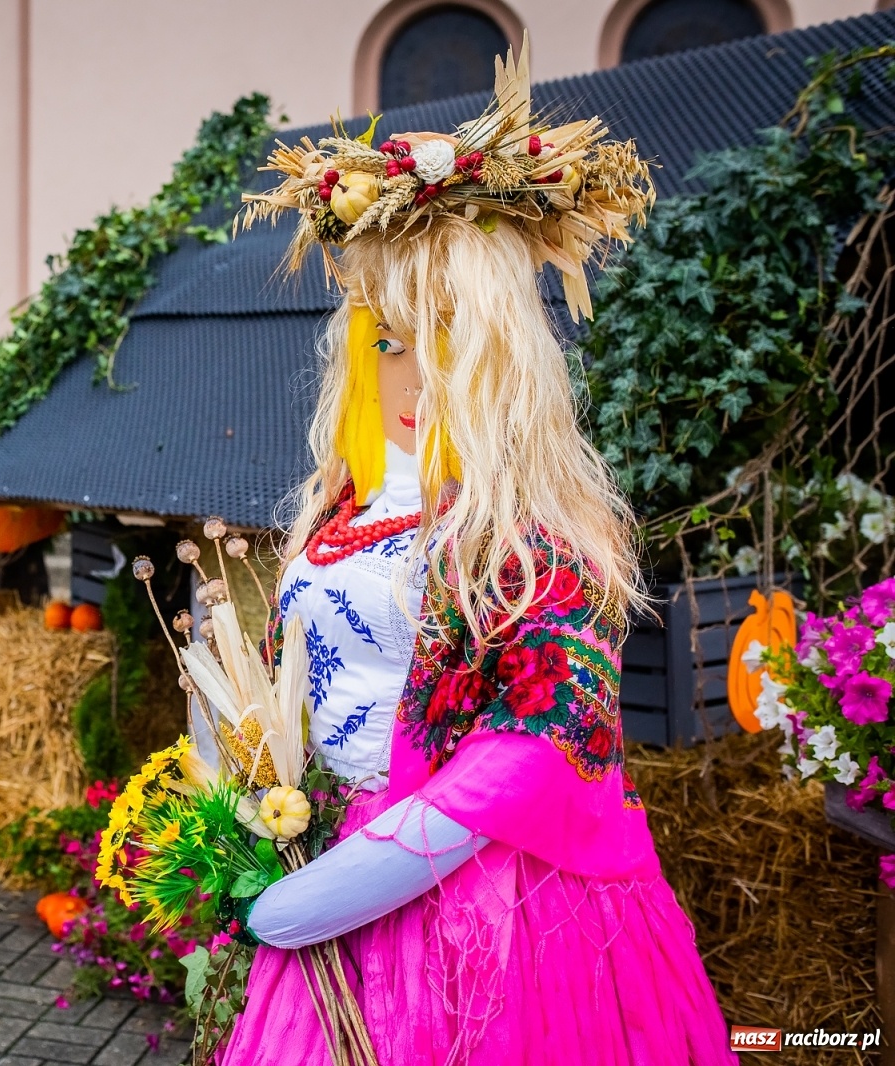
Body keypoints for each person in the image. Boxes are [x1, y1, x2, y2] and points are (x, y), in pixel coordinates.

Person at [217, 46, 733, 1066]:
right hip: (338, 880)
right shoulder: (342, 507)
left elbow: (532, 750)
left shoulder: (534, 535)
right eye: (387, 340)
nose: (412, 372)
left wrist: (332, 886)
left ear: (502, 350)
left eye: (445, 335)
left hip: (497, 913)